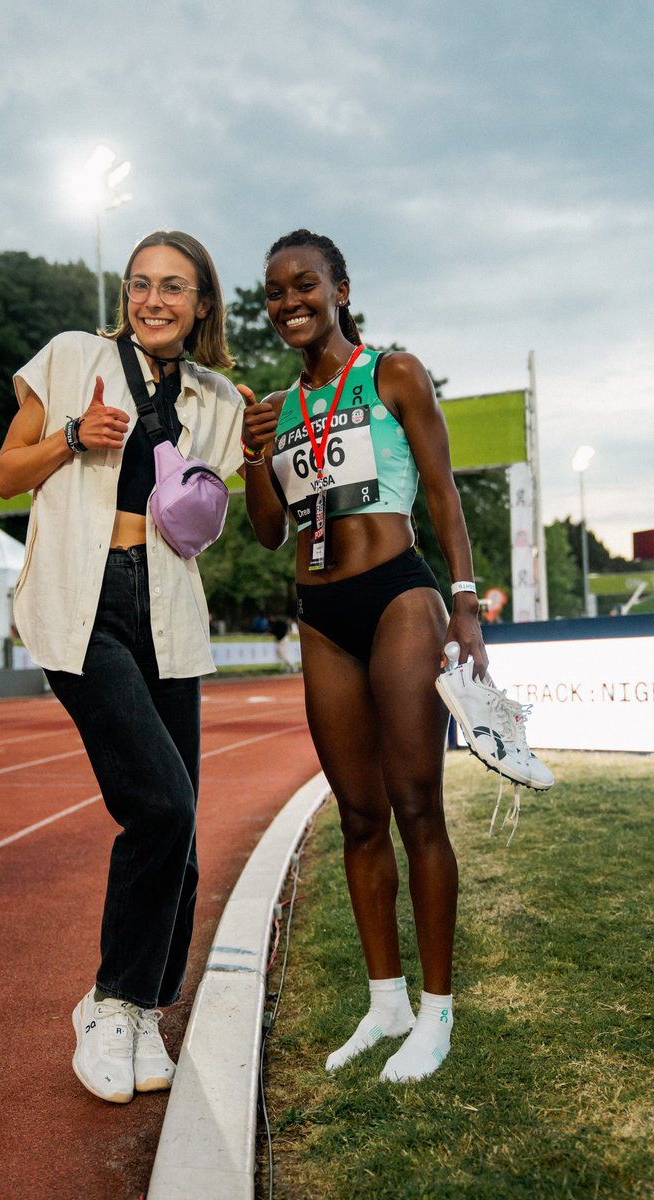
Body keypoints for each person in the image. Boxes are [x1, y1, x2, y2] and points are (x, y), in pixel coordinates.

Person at [0, 230, 245, 1104]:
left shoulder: (214, 397)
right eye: (140, 284)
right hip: (84, 599)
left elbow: (214, 512)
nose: (153, 299)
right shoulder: (71, 357)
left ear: (203, 302)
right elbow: (3, 474)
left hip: (169, 606)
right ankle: (110, 1003)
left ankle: (142, 1010)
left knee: (184, 830)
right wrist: (71, 435)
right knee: (160, 805)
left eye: (174, 286)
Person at [240, 229, 488, 1083]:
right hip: (319, 614)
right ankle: (386, 1003)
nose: (289, 303)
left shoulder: (394, 374)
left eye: (304, 285)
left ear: (341, 287)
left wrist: (466, 602)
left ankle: (439, 1013)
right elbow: (270, 530)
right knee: (356, 815)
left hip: (399, 597)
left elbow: (445, 491)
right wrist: (251, 454)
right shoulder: (278, 406)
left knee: (417, 804)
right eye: (274, 293)